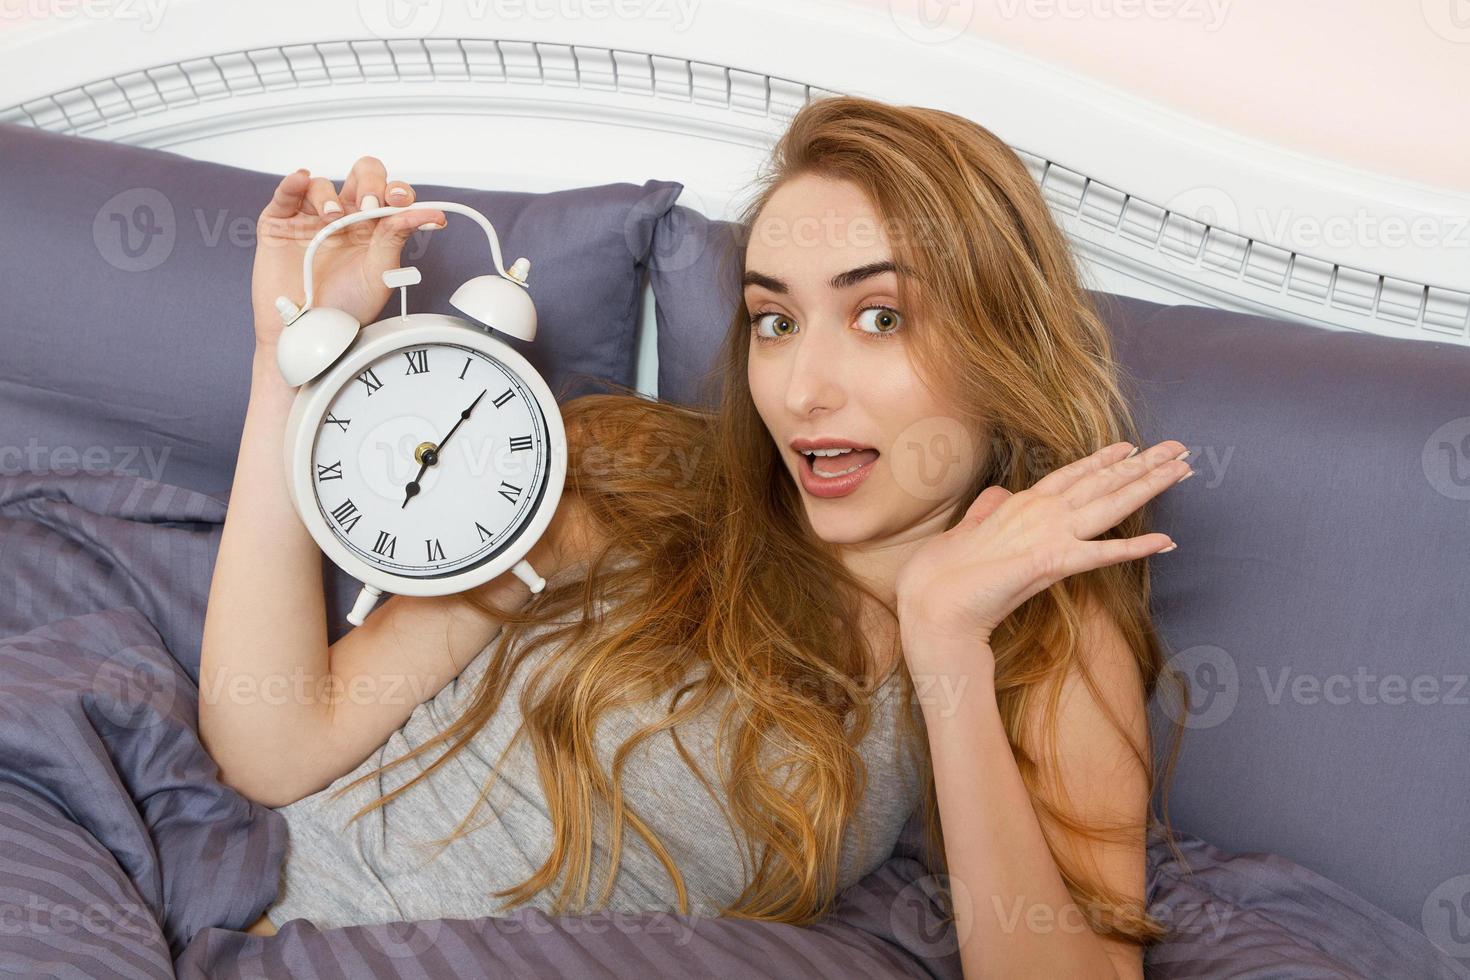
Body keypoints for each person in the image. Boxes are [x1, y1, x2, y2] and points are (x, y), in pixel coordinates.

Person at [200, 94, 1193, 979]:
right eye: (775, 320)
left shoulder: (1049, 618)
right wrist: (290, 358)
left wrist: (944, 645)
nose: (804, 390)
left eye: (880, 315)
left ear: (1001, 344)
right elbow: (276, 748)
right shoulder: (624, 467)